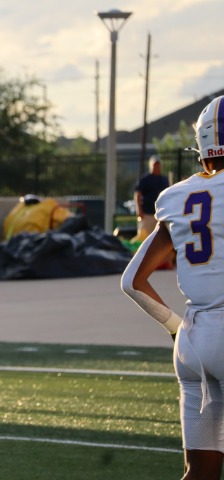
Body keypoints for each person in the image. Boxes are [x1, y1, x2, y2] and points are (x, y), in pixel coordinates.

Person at [121, 95, 224, 480]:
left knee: (199, 472)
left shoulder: (175, 198)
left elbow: (133, 282)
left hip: (193, 342)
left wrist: (176, 328)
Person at [134, 155, 170, 238]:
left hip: (160, 214)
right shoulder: (145, 179)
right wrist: (139, 210)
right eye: (154, 165)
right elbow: (138, 194)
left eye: (158, 165)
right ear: (150, 166)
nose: (156, 167)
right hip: (147, 214)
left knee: (158, 237)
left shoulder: (164, 180)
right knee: (144, 237)